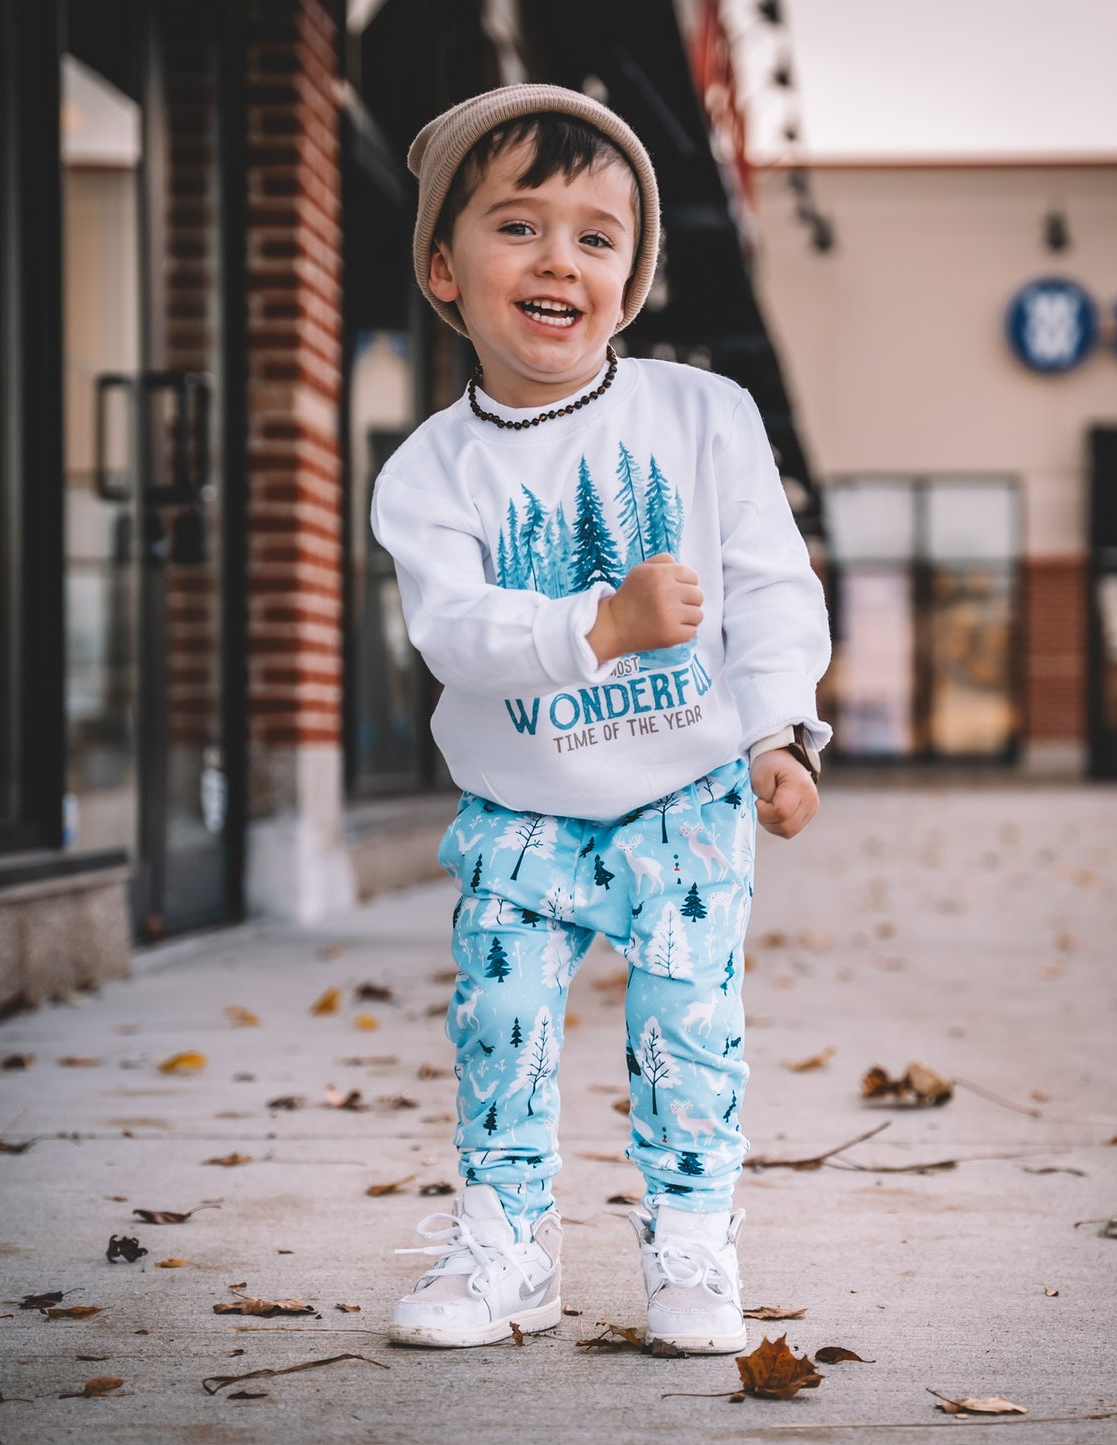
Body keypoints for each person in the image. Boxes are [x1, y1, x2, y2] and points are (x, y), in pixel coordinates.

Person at [372, 84, 831, 1352]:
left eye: (593, 235)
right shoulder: (427, 472)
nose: (556, 258)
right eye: (516, 226)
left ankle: (690, 1243)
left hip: (684, 793)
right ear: (442, 269)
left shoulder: (700, 417)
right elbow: (451, 629)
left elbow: (770, 588)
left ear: (629, 281)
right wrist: (596, 626)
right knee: (500, 1022)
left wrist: (780, 730)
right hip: (518, 806)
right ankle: (506, 1242)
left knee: (689, 1023)